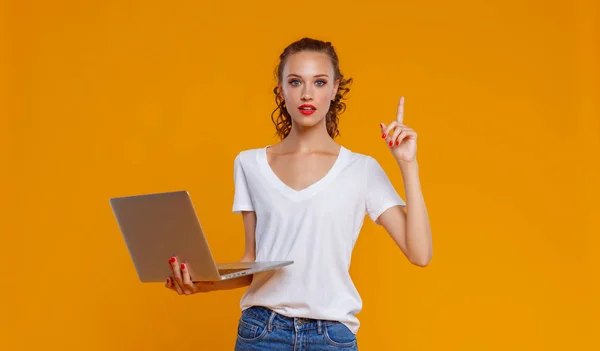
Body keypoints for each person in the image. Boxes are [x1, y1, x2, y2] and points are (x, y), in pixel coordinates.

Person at [165, 37, 433, 350]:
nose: (307, 94)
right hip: (261, 332)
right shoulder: (249, 163)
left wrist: (408, 164)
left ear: (334, 90)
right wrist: (202, 284)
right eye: (296, 82)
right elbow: (254, 263)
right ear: (281, 90)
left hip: (331, 336)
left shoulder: (361, 169)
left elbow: (420, 254)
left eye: (319, 82)